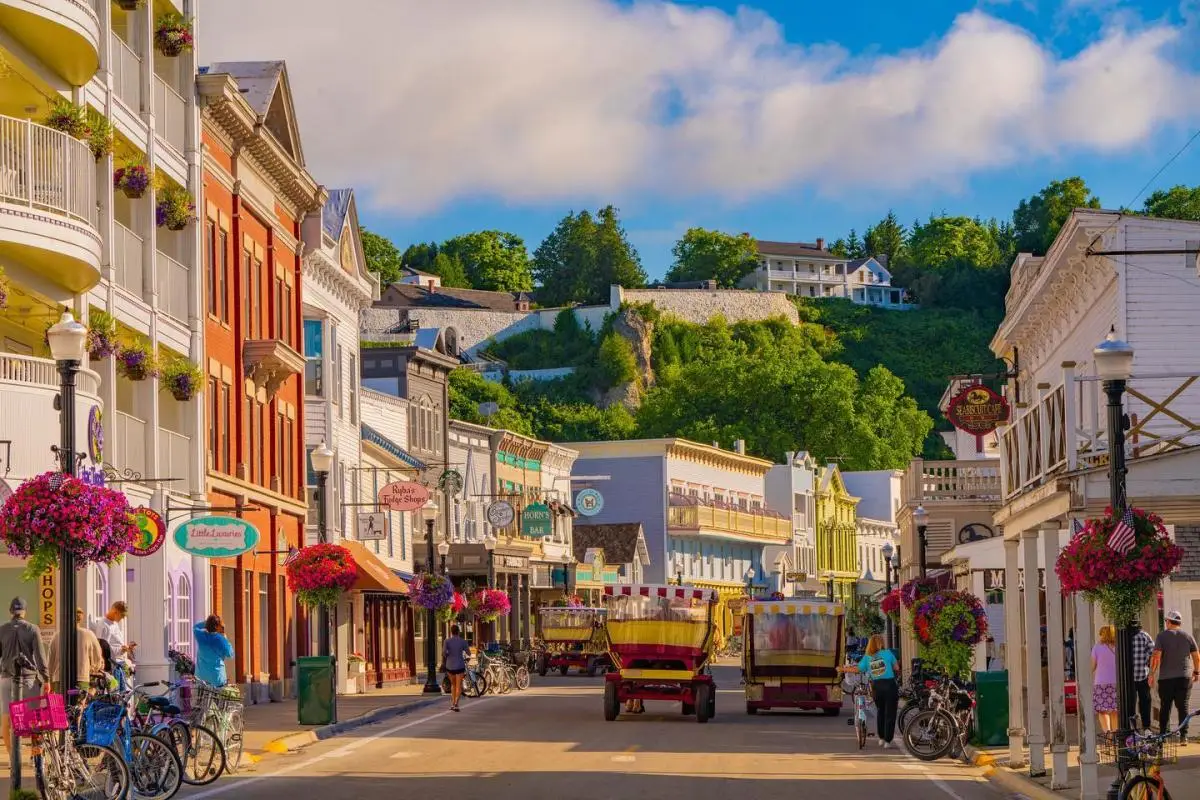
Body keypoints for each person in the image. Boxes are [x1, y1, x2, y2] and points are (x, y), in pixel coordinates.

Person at [0, 598, 48, 753]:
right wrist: (46, 678)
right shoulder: (33, 629)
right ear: (24, 612)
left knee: (6, 718)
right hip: (28, 679)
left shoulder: (2, 629)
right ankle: (36, 755)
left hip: (7, 678)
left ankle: (13, 757)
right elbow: (40, 657)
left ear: (10, 611)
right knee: (33, 717)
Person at [838, 633, 901, 748]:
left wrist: (843, 669)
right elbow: (897, 668)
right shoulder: (888, 653)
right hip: (890, 685)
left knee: (880, 711)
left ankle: (881, 738)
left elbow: (858, 669)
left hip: (877, 686)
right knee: (890, 714)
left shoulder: (868, 657)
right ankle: (887, 741)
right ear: (881, 643)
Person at [1150, 609, 1200, 744]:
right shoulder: (1188, 636)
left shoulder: (1161, 636)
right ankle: (1184, 736)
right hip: (1184, 677)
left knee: (1165, 706)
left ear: (1168, 621)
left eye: (1166, 621)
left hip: (1166, 678)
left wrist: (1151, 674)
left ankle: (1163, 736)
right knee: (1183, 707)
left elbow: (1156, 657)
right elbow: (1197, 657)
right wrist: (1196, 672)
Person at [48, 608, 104, 690]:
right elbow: (97, 657)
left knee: (62, 702)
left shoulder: (57, 636)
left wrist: (49, 679)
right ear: (81, 618)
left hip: (59, 678)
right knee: (79, 702)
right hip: (81, 677)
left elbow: (50, 661)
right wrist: (93, 670)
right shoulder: (89, 635)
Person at [91, 601, 136, 675]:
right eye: (122, 615)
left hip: (118, 663)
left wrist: (126, 648)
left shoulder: (114, 623)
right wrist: (121, 649)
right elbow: (103, 649)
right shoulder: (103, 625)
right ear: (115, 612)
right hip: (111, 666)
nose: (123, 618)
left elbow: (115, 643)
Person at [193, 615, 234, 688]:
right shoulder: (221, 639)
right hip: (216, 678)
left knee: (201, 698)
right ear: (218, 626)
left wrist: (207, 622)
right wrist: (226, 638)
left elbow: (195, 627)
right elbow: (230, 654)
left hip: (201, 677)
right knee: (217, 698)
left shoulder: (200, 636)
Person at [1092, 625, 1118, 733]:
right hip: (1116, 683)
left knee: (1103, 711)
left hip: (1101, 683)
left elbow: (1092, 666)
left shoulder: (1097, 647)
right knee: (1115, 711)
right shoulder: (1118, 647)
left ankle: (1107, 733)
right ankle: (1116, 733)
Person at [1131, 622, 1155, 731]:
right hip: (1143, 675)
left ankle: (1132, 727)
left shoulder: (1124, 637)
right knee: (1145, 701)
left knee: (1129, 703)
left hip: (1128, 678)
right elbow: (1153, 654)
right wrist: (1150, 670)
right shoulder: (1145, 636)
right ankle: (1146, 727)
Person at [443, 624, 471, 712]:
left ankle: (452, 703)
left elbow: (444, 653)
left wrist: (448, 655)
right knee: (459, 685)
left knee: (453, 685)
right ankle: (456, 704)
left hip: (450, 665)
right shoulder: (463, 641)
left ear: (451, 632)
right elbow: (469, 653)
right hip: (459, 665)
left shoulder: (447, 641)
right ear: (459, 631)